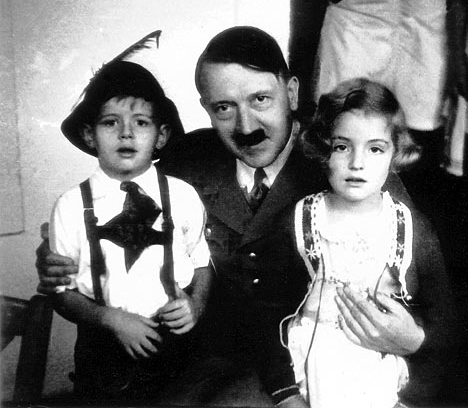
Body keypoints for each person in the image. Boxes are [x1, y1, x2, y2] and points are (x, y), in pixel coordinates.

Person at [37, 27, 420, 407]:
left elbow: (425, 292)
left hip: (312, 367)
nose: (246, 126)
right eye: (224, 107)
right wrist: (58, 258)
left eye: (261, 100)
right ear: (205, 107)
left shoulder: (350, 163)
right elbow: (114, 223)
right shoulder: (186, 162)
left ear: (291, 93)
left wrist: (415, 338)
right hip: (200, 365)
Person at [284, 78, 457, 407]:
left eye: (375, 148)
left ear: (395, 154)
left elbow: (445, 318)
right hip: (314, 366)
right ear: (324, 149)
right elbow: (270, 308)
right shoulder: (301, 220)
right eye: (342, 147)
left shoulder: (411, 228)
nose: (357, 163)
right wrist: (285, 394)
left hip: (379, 369)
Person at [47, 59, 211, 404]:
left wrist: (196, 304)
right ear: (90, 134)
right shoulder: (71, 205)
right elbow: (61, 293)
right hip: (103, 353)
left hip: (177, 351)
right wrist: (111, 319)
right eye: (111, 122)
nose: (126, 133)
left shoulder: (182, 196)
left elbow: (201, 263)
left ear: (161, 136)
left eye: (141, 122)